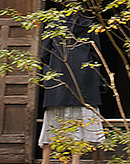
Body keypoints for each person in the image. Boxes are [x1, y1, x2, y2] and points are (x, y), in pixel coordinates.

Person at [38, 13, 104, 164]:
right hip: (83, 81)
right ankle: (75, 161)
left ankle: (45, 161)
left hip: (58, 79)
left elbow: (44, 53)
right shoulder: (88, 25)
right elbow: (96, 55)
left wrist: (53, 67)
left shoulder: (54, 23)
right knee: (79, 125)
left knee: (51, 123)